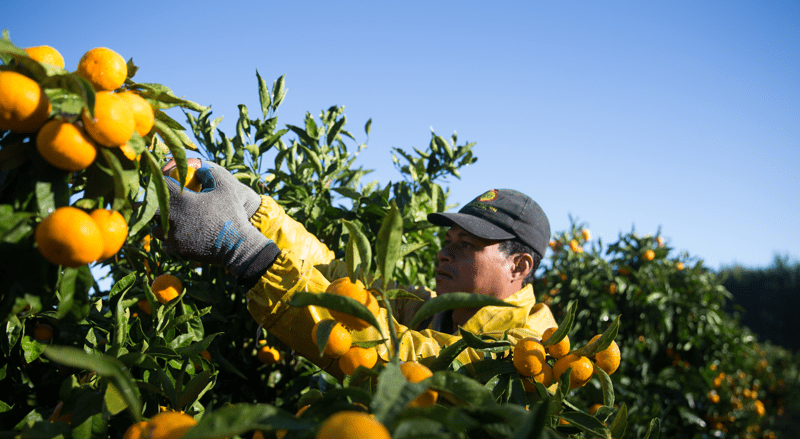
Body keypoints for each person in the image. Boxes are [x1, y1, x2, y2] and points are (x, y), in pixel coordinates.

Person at [156, 160, 557, 376]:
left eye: (466, 245)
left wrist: (250, 255)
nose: (444, 253)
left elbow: (400, 359)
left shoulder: (529, 350)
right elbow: (338, 276)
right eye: (447, 241)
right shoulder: (430, 310)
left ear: (518, 265)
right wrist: (255, 211)